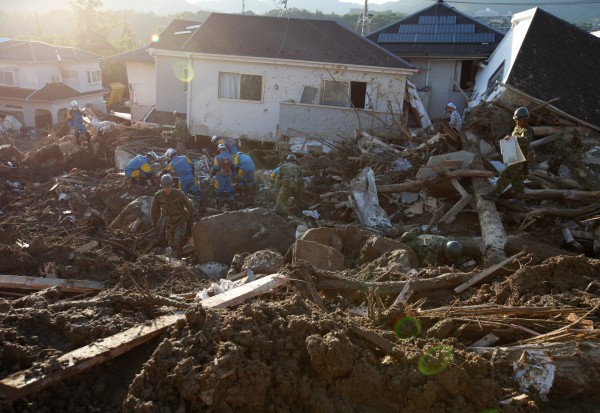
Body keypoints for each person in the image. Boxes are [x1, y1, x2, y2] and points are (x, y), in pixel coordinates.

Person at [482, 107, 535, 204]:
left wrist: (513, 138)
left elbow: (526, 141)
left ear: (525, 120)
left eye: (519, 120)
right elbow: (513, 138)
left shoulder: (528, 130)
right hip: (513, 155)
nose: (517, 122)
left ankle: (494, 194)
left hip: (520, 158)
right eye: (516, 120)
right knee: (516, 177)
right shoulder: (517, 128)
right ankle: (520, 198)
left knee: (506, 174)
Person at [150, 174, 195, 259]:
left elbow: (189, 205)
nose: (167, 189)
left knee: (177, 240)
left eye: (169, 187)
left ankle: (178, 260)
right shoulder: (158, 196)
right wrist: (154, 222)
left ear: (172, 185)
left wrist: (194, 217)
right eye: (165, 187)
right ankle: (177, 258)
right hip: (168, 223)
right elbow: (154, 210)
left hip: (180, 220)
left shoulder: (179, 194)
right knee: (171, 243)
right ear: (162, 186)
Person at [400, 227, 464, 267]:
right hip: (413, 245)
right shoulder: (434, 250)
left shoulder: (446, 241)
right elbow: (426, 266)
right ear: (446, 252)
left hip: (421, 238)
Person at [211, 143, 235, 208]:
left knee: (218, 190)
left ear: (219, 150)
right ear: (225, 149)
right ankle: (232, 206)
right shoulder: (230, 156)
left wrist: (211, 174)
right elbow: (233, 167)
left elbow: (215, 168)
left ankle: (218, 206)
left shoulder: (217, 157)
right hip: (228, 176)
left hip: (220, 176)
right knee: (229, 190)